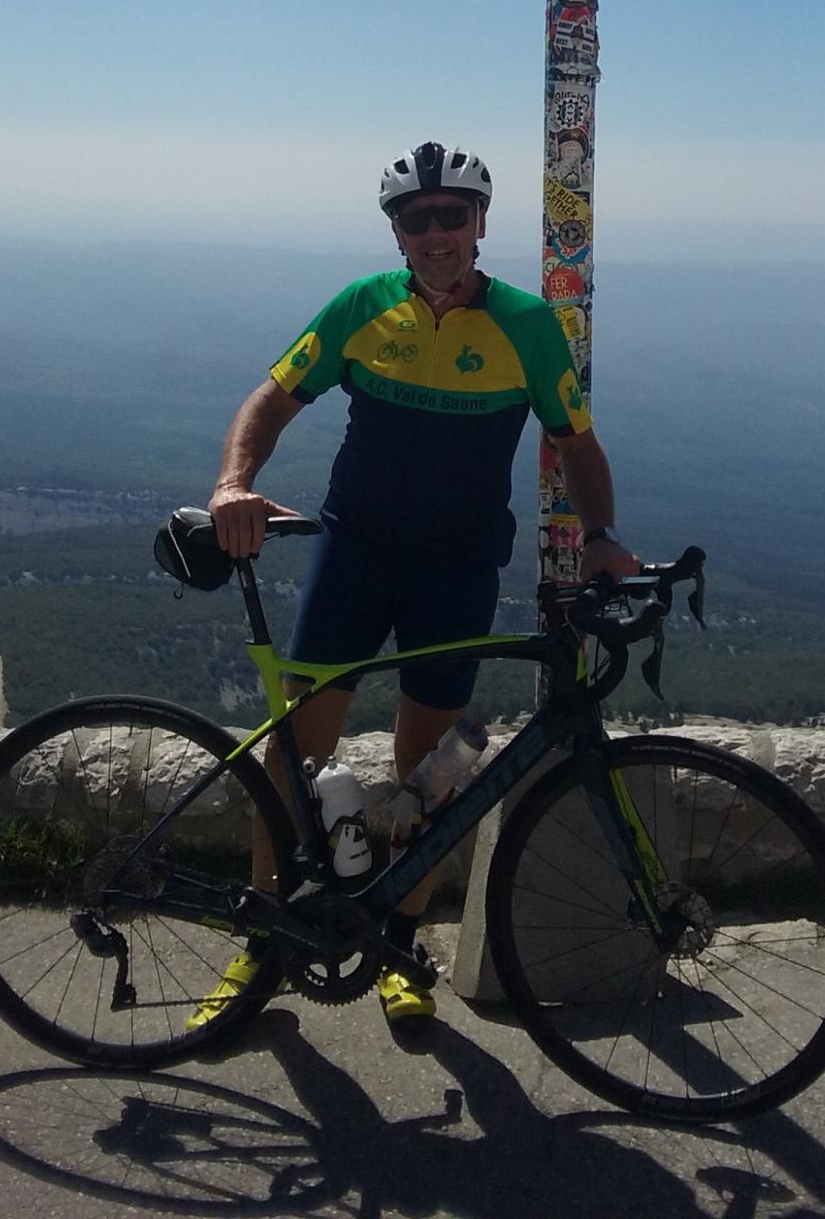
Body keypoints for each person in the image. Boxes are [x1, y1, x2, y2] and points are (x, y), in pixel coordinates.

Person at [194, 140, 637, 1029]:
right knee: (294, 755)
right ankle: (263, 940)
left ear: (480, 224)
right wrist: (232, 485)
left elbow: (575, 443)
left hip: (458, 565)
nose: (435, 234)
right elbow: (271, 399)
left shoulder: (526, 324)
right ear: (397, 231)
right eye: (415, 218)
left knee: (430, 775)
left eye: (451, 216)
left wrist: (599, 536)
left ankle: (399, 944)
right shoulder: (363, 306)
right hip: (354, 555)